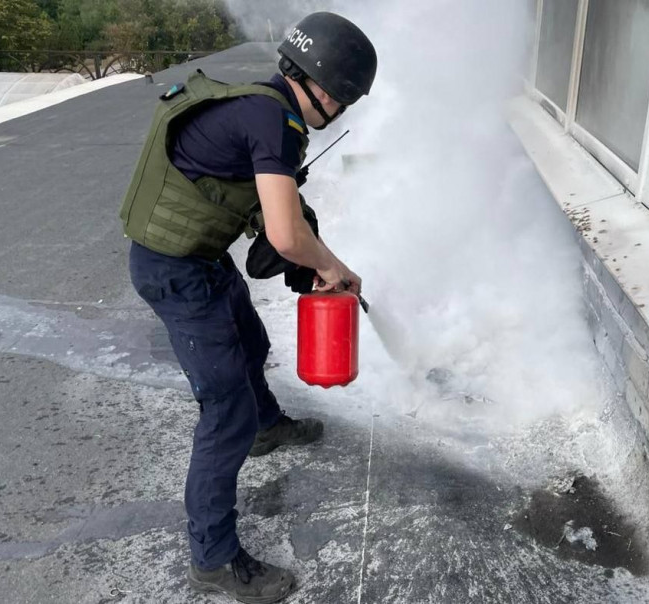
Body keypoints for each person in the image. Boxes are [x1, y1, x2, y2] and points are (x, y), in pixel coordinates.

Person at [118, 12, 377, 604]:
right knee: (224, 408)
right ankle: (213, 559)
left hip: (199, 258)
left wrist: (315, 261)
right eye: (345, 100)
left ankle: (266, 428)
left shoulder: (263, 103)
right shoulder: (274, 119)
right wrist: (331, 267)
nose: (342, 111)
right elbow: (285, 235)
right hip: (176, 271)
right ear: (327, 90)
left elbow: (269, 212)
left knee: (252, 343)